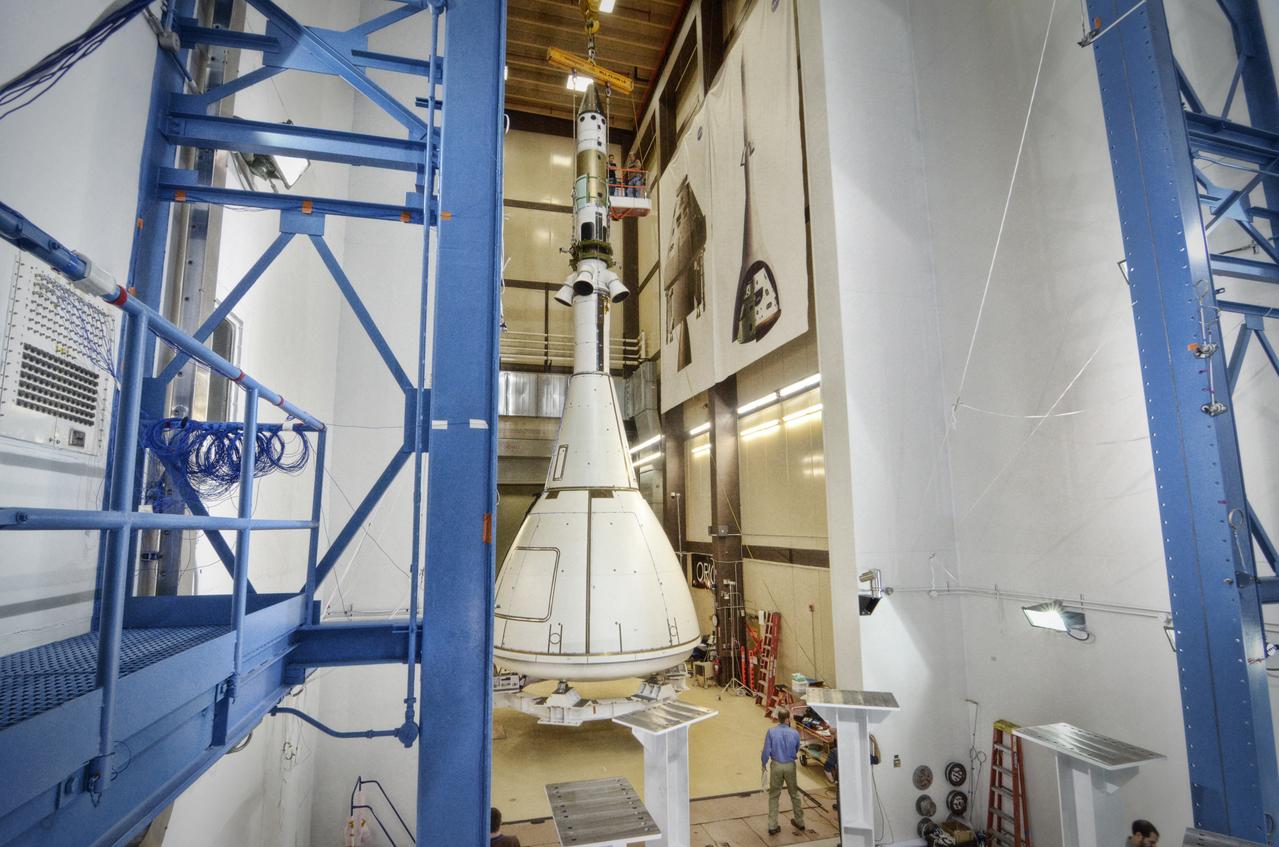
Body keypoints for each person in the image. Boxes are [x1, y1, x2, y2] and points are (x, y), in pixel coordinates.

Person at [760, 707, 806, 835]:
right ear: (787, 719)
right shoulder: (795, 732)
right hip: (790, 765)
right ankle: (800, 822)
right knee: (794, 794)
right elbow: (797, 748)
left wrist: (763, 764)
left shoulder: (771, 732)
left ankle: (773, 826)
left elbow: (765, 751)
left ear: (778, 719)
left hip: (776, 765)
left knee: (774, 795)